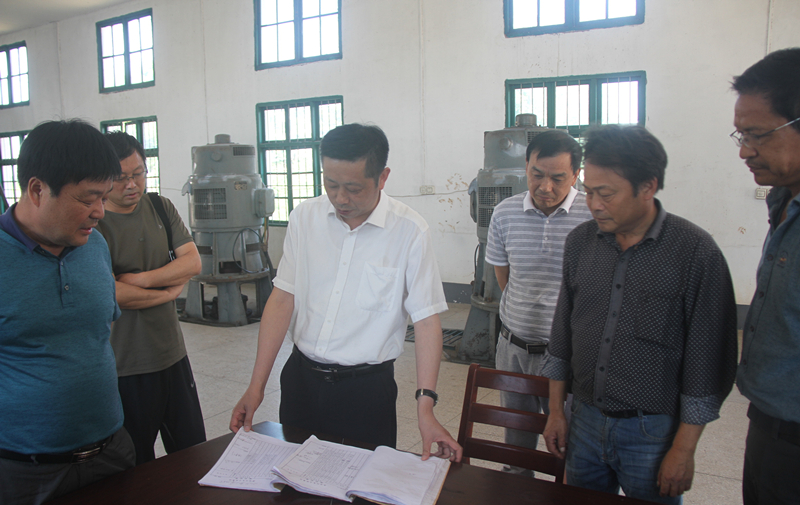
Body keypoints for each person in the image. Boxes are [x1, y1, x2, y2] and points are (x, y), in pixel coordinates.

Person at [230, 123, 462, 461]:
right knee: (293, 478)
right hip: (301, 382)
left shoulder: (409, 231)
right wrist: (256, 387)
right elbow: (282, 299)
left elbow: (426, 321)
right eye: (331, 184)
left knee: (362, 486)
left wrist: (425, 408)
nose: (341, 198)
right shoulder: (305, 218)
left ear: (382, 177)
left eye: (353, 188)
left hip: (366, 392)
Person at [541, 125, 738, 505]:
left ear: (648, 187)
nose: (594, 204)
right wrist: (556, 412)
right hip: (584, 419)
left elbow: (707, 362)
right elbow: (563, 334)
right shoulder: (580, 243)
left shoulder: (695, 253)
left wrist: (683, 450)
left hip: (652, 431)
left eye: (606, 194)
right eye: (589, 191)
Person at [0, 120, 135, 505]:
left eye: (104, 197)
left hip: (111, 453)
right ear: (37, 190)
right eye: (88, 198)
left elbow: (99, 331)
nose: (100, 211)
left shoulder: (95, 244)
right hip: (24, 473)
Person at [485, 130, 591, 475]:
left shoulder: (593, 216)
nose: (545, 187)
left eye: (557, 178)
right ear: (526, 167)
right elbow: (505, 278)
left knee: (570, 445)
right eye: (536, 174)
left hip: (569, 355)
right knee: (517, 444)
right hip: (513, 349)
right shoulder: (505, 213)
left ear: (576, 174)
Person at [97, 132, 206, 465]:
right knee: (136, 464)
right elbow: (112, 293)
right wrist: (169, 290)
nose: (132, 184)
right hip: (125, 365)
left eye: (139, 173)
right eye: (120, 177)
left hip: (172, 355)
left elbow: (193, 263)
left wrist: (140, 280)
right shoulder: (94, 224)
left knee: (192, 454)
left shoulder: (160, 206)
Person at [732, 48, 800, 505]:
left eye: (757, 135)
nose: (745, 150)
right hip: (769, 422)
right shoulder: (784, 201)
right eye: (741, 135)